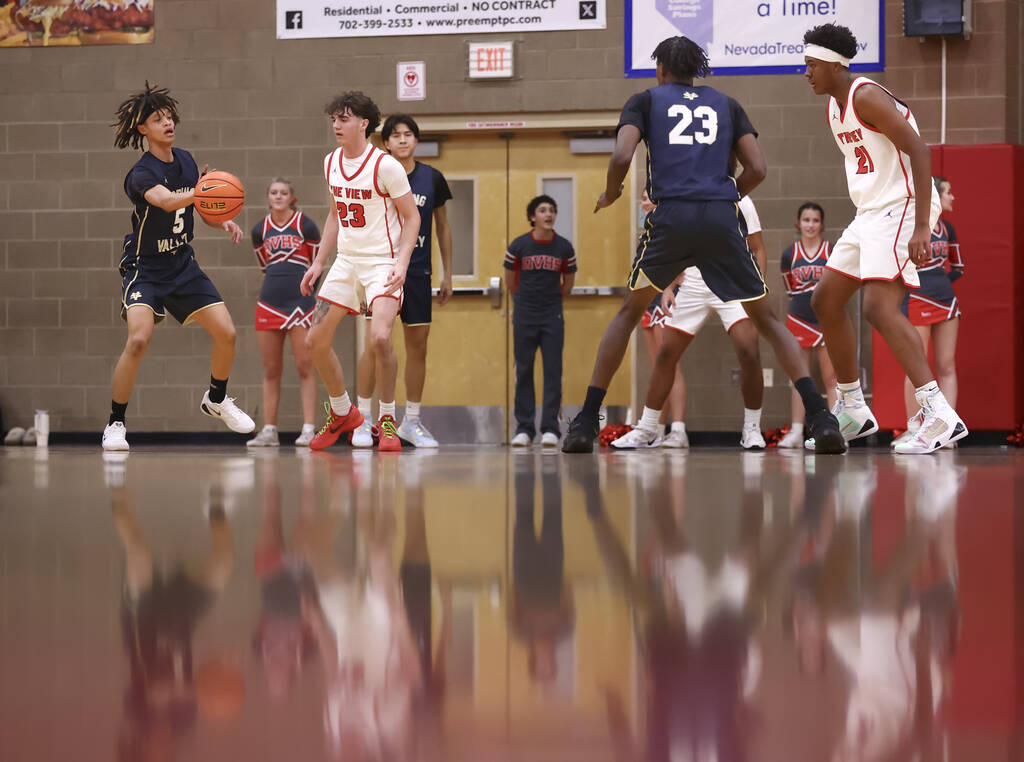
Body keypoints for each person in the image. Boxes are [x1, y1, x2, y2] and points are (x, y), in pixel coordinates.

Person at [561, 35, 843, 454]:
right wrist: (726, 197)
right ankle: (821, 419)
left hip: (672, 217)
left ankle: (586, 422)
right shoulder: (726, 104)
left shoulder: (645, 100)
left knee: (628, 312)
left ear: (660, 68)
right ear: (695, 70)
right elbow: (759, 168)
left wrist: (613, 191)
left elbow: (622, 156)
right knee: (766, 320)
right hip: (718, 219)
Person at [802, 23, 967, 453]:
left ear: (835, 65)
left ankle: (939, 413)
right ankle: (854, 407)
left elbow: (920, 151)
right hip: (871, 212)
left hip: (903, 205)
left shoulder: (866, 95)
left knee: (878, 306)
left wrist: (919, 225)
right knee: (825, 299)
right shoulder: (834, 108)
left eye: (812, 65)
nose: (807, 73)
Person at [102, 82, 255, 451]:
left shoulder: (186, 160)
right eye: (158, 119)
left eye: (169, 116)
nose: (168, 123)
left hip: (183, 264)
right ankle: (115, 423)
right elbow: (168, 201)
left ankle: (216, 399)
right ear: (143, 129)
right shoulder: (141, 174)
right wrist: (204, 190)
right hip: (146, 268)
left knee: (228, 334)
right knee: (138, 339)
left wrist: (222, 220)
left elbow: (197, 207)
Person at [300, 91, 421, 452]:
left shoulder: (385, 165)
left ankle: (386, 419)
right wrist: (319, 261)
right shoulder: (330, 162)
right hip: (346, 261)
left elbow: (412, 217)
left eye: (344, 118)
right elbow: (336, 214)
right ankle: (342, 413)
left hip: (383, 261)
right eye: (334, 119)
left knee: (380, 339)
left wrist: (401, 263)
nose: (336, 125)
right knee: (314, 342)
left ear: (364, 123)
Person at [612, 191, 767, 449]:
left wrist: (757, 288)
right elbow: (679, 248)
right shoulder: (688, 193)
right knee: (666, 354)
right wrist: (670, 286)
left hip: (733, 281)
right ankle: (649, 427)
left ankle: (751, 428)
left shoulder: (742, 200)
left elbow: (758, 247)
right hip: (694, 283)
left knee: (749, 350)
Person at [351, 114, 453, 449]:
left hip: (419, 272)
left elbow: (442, 227)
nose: (403, 140)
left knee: (417, 348)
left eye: (409, 134)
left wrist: (448, 272)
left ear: (416, 140)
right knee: (374, 344)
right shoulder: (372, 175)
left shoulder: (431, 178)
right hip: (379, 270)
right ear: (385, 142)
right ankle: (365, 419)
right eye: (396, 135)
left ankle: (412, 421)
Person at [247, 178, 321, 448]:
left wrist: (310, 297)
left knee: (305, 365)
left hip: (301, 303)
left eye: (283, 193)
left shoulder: (306, 225)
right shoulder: (259, 230)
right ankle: (269, 430)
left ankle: (310, 428)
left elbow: (316, 266)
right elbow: (265, 266)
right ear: (268, 197)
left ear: (293, 198)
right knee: (271, 369)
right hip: (269, 302)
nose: (278, 196)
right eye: (273, 192)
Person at [892, 177, 964, 448]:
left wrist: (940, 284)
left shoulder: (949, 229)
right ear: (935, 196)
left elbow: (958, 267)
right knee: (916, 366)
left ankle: (947, 429)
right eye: (948, 192)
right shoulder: (912, 227)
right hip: (916, 300)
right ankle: (914, 427)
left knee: (947, 365)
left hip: (947, 302)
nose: (952, 197)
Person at [505, 195, 577, 447]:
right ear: (533, 216)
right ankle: (524, 429)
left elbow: (567, 284)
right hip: (525, 315)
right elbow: (510, 283)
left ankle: (550, 428)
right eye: (543, 210)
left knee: (553, 372)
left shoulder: (565, 248)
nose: (549, 214)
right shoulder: (518, 246)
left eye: (552, 210)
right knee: (523, 371)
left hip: (552, 316)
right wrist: (524, 303)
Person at [777, 202, 839, 448]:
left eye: (815, 220)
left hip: (825, 318)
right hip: (799, 317)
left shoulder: (831, 250)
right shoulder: (788, 254)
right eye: (806, 220)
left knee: (831, 378)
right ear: (798, 223)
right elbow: (791, 290)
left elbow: (836, 286)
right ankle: (796, 431)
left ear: (821, 224)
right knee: (800, 378)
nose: (811, 225)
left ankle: (836, 428)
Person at [637, 191, 688, 447]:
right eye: (643, 197)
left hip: (668, 299)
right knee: (659, 369)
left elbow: (681, 262)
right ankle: (656, 428)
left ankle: (678, 429)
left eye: (650, 197)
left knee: (671, 365)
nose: (645, 202)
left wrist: (669, 286)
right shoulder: (646, 229)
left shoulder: (670, 225)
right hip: (648, 301)